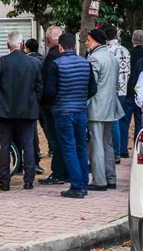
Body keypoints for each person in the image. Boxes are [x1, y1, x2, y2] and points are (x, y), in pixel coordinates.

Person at [44, 33, 95, 199]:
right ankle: (84, 183)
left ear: (60, 47)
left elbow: (50, 91)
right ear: (74, 46)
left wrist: (53, 103)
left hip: (63, 111)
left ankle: (77, 186)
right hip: (81, 111)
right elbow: (92, 89)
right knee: (81, 147)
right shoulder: (85, 63)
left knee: (69, 148)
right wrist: (80, 98)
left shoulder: (56, 64)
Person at [0, 30, 42, 190]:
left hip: (5, 111)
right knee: (28, 145)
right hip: (28, 111)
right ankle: (29, 180)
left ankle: (4, 181)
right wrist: (34, 103)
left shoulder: (0, 62)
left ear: (7, 45)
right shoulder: (34, 63)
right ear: (23, 45)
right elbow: (39, 87)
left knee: (5, 146)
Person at [85, 28, 124, 191]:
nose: (86, 42)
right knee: (107, 144)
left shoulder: (94, 58)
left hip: (97, 106)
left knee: (96, 144)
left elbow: (91, 85)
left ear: (95, 40)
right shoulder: (112, 57)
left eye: (88, 39)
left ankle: (99, 180)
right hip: (111, 105)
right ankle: (110, 178)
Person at [38, 25, 68, 186]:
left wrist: (45, 103)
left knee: (56, 140)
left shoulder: (51, 57)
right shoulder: (68, 56)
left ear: (48, 40)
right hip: (68, 104)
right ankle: (65, 171)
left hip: (54, 106)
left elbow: (48, 84)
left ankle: (58, 172)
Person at [104, 26, 131, 162]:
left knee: (113, 120)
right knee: (118, 119)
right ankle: (118, 150)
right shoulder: (125, 50)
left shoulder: (106, 51)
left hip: (111, 89)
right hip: (123, 89)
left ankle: (115, 152)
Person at [23, 38, 45, 172]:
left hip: (29, 101)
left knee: (31, 131)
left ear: (27, 48)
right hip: (41, 99)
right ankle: (50, 149)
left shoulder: (28, 62)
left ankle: (33, 160)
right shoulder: (43, 60)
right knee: (45, 126)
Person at [125, 29, 143, 144]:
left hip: (128, 90)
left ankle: (123, 148)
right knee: (139, 122)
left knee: (124, 122)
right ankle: (137, 146)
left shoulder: (128, 54)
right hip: (142, 90)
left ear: (132, 40)